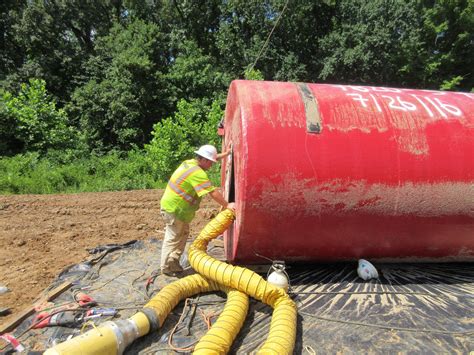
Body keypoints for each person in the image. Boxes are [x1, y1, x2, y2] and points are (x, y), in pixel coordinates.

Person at [160, 144, 235, 276]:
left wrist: (226, 153)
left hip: (176, 209)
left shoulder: (189, 163)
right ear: (204, 160)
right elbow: (212, 192)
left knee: (182, 234)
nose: (211, 165)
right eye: (210, 163)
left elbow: (212, 157)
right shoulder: (198, 174)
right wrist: (227, 204)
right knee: (173, 237)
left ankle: (173, 261)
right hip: (175, 210)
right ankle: (166, 268)